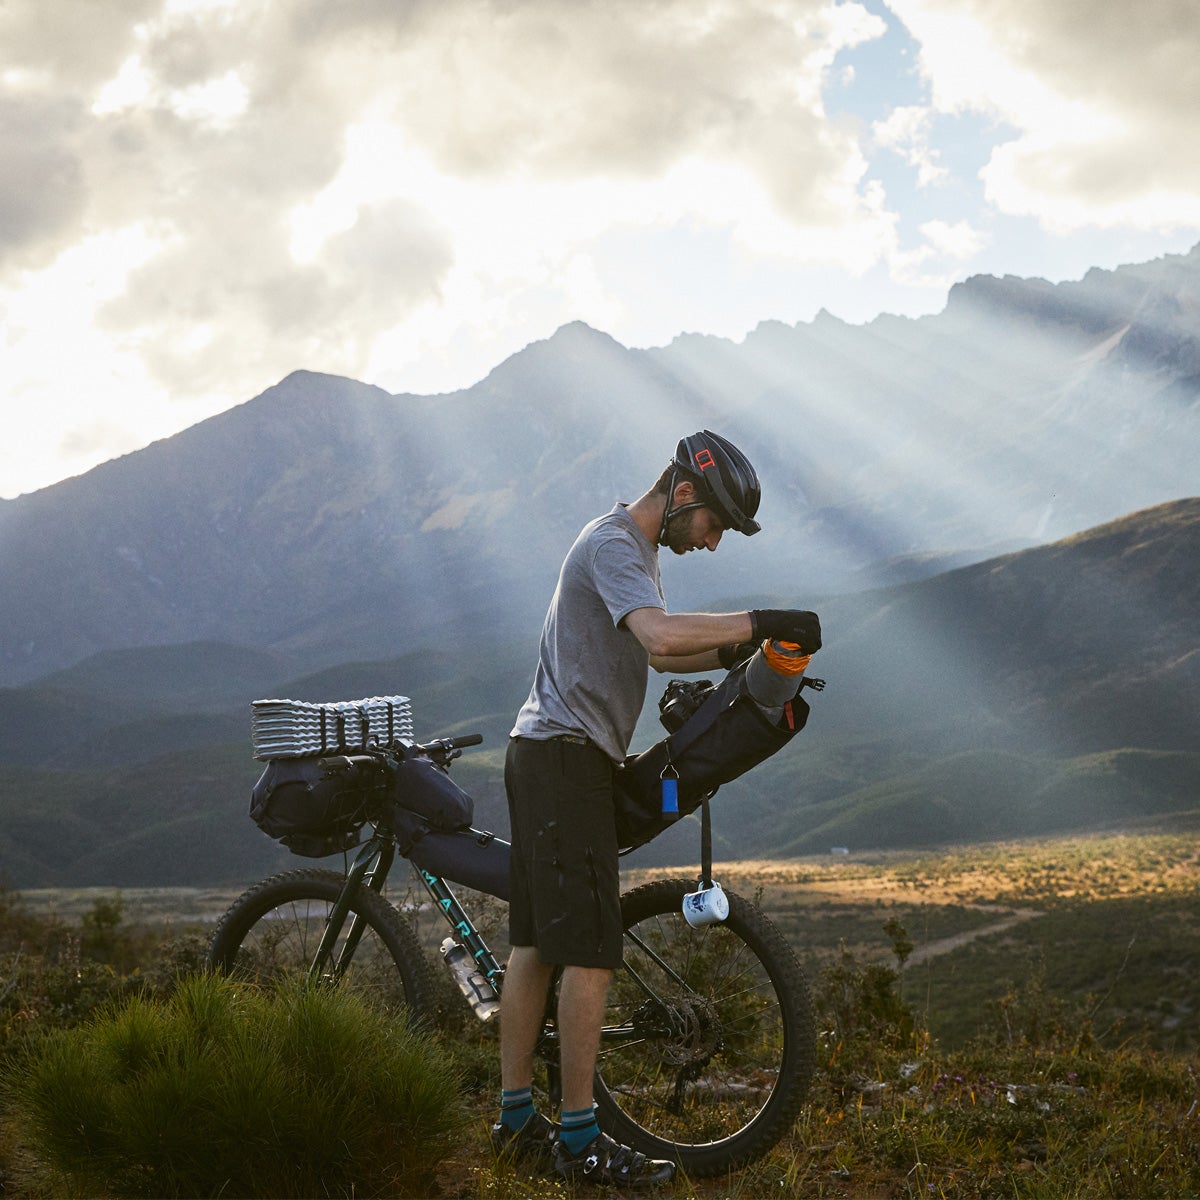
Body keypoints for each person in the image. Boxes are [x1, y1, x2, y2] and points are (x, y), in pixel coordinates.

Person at [490, 430, 821, 1188]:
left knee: (538, 944)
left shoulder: (635, 554)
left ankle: (515, 1122)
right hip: (564, 758)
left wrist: (749, 657)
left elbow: (662, 653)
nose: (711, 542)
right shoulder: (614, 544)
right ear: (683, 492)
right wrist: (763, 619)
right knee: (590, 950)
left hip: (546, 754)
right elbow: (663, 637)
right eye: (713, 524)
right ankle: (580, 1140)